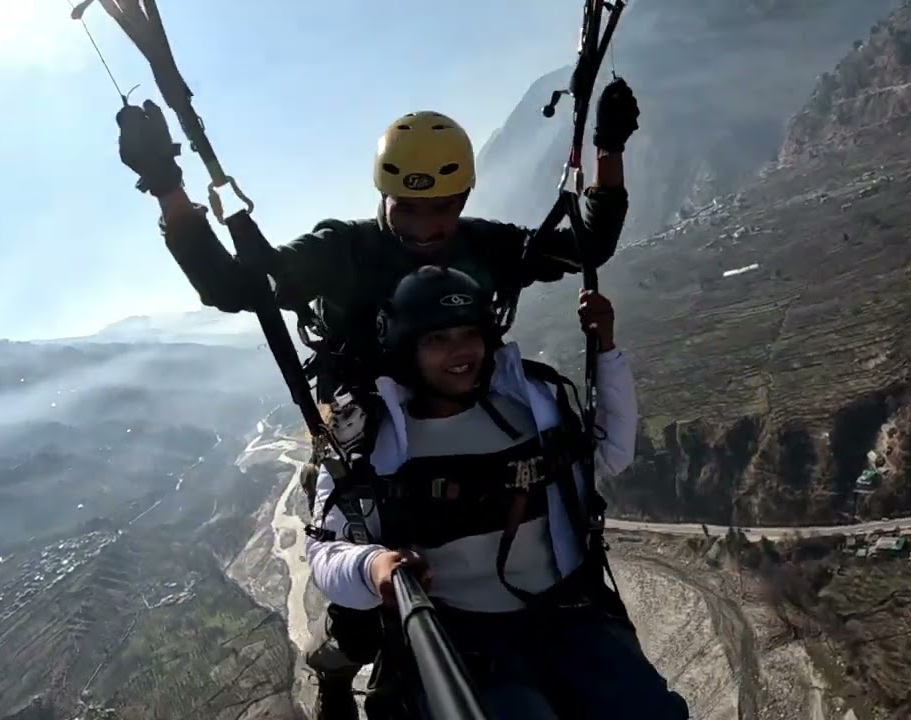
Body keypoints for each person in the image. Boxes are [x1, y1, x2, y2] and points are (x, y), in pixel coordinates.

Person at [117, 80, 641, 720]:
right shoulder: (344, 251)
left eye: (441, 209)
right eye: (409, 209)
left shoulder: (483, 245)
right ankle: (345, 657)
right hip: (369, 431)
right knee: (366, 573)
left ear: (464, 198)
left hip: (467, 414)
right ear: (383, 197)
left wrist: (608, 149)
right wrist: (168, 189)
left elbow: (588, 245)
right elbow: (236, 285)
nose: (425, 228)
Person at [305, 266, 690, 719]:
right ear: (407, 348)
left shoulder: (533, 405)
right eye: (437, 339)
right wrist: (374, 566)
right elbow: (325, 553)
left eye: (470, 333)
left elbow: (610, 453)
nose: (460, 351)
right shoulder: (372, 443)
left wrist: (606, 350)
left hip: (566, 612)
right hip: (460, 634)